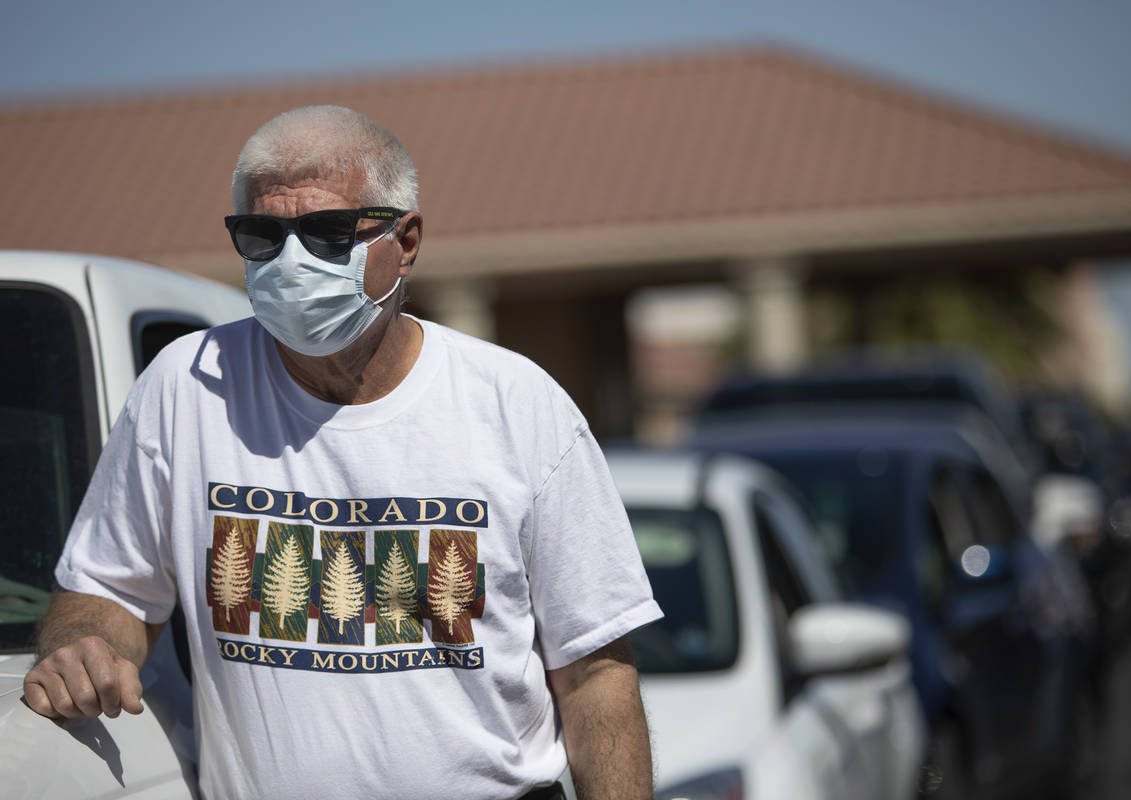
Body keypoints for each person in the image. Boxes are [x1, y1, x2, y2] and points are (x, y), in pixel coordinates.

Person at [24, 105, 662, 800]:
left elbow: (594, 674)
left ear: (407, 240)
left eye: (329, 234)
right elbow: (107, 592)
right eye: (263, 235)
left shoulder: (518, 406)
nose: (293, 262)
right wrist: (85, 647)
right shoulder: (185, 390)